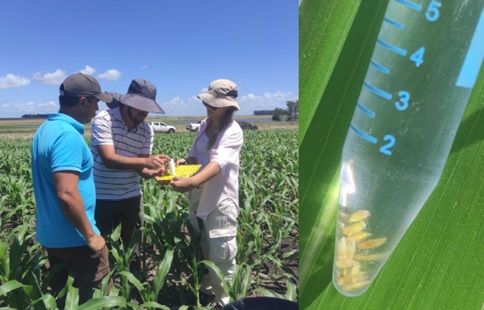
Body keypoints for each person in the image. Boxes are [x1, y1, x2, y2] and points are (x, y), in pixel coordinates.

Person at [31, 73, 113, 305]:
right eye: (97, 101)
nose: (98, 107)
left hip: (52, 236)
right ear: (83, 101)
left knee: (65, 298)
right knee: (100, 299)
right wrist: (91, 236)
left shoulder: (45, 130)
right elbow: (66, 193)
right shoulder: (68, 136)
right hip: (76, 239)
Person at [170, 79, 244, 306]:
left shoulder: (233, 131)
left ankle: (225, 302)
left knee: (221, 254)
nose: (209, 107)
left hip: (220, 200)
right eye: (208, 102)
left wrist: (190, 181)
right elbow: (196, 156)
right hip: (198, 197)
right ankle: (207, 291)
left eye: (215, 104)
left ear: (229, 105)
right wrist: (185, 162)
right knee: (202, 247)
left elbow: (217, 164)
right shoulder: (204, 124)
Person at [90, 78, 170, 274]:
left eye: (147, 108)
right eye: (140, 107)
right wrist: (146, 162)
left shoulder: (146, 129)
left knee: (133, 247)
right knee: (100, 249)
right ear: (127, 103)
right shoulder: (104, 120)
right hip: (102, 197)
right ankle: (104, 291)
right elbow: (109, 159)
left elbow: (141, 169)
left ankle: (132, 289)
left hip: (131, 196)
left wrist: (156, 173)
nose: (144, 112)